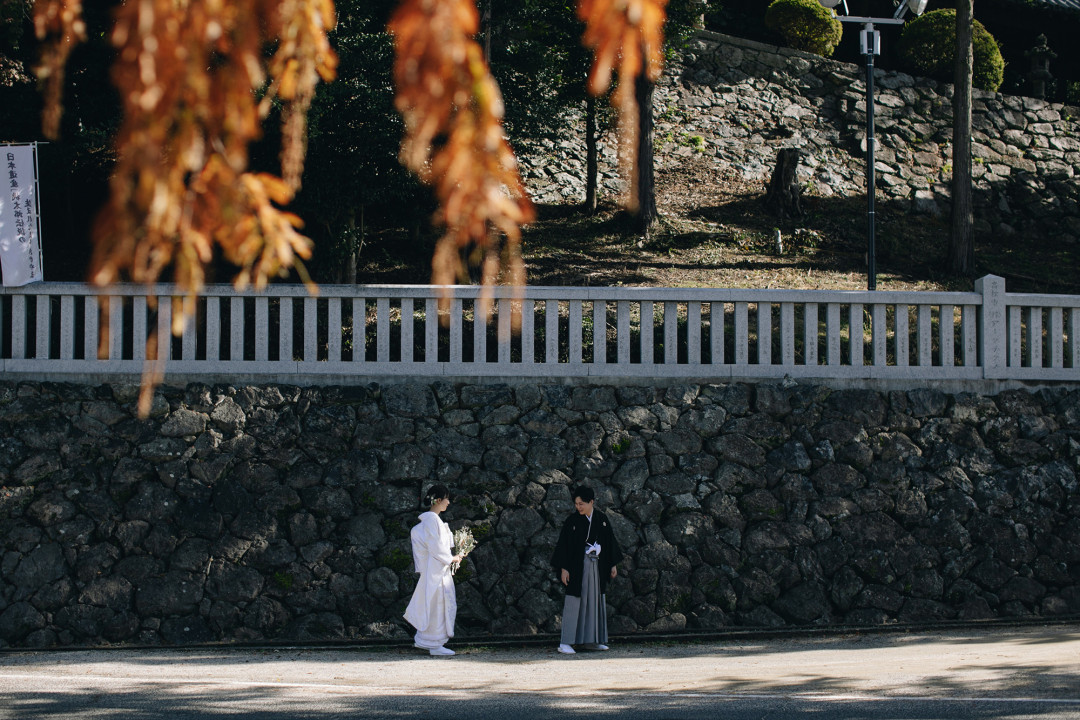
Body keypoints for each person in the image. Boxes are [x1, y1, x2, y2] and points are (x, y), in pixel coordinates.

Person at [551, 485, 623, 654]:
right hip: (578, 565)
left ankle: (591, 640)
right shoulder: (572, 522)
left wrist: (612, 564)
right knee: (575, 601)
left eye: (582, 503)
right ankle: (566, 642)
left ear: (592, 502)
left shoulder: (602, 519)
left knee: (594, 601)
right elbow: (564, 546)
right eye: (576, 504)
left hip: (597, 565)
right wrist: (564, 568)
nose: (578, 507)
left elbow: (609, 542)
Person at [403, 484, 462, 656]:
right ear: (438, 500)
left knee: (436, 603)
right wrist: (452, 558)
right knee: (437, 605)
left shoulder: (432, 521)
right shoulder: (431, 520)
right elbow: (435, 547)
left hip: (436, 569)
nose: (448, 502)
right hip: (436, 570)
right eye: (446, 499)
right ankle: (433, 643)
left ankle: (429, 641)